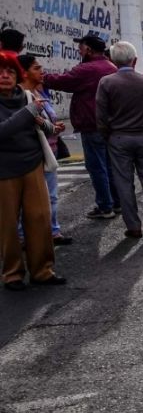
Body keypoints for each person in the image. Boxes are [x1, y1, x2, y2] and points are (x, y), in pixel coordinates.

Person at [0, 51, 66, 291]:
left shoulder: (26, 96)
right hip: (5, 171)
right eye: (0, 72)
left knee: (39, 218)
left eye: (9, 71)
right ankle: (13, 273)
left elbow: (42, 127)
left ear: (18, 74)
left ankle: (42, 270)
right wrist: (29, 113)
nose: (4, 76)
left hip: (33, 164)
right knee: (7, 224)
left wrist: (50, 126)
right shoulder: (27, 105)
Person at [96, 42, 143, 239]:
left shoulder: (106, 82)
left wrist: (108, 135)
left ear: (113, 60)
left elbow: (101, 116)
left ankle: (134, 227)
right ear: (135, 60)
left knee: (124, 183)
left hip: (119, 137)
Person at [44, 34, 118, 219]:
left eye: (82, 47)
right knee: (108, 165)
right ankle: (116, 203)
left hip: (91, 124)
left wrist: (40, 76)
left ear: (89, 50)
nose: (79, 50)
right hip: (109, 125)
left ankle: (105, 206)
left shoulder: (87, 69)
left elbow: (62, 81)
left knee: (96, 166)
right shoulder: (111, 66)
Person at [19, 55, 72, 246]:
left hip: (50, 150)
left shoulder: (39, 92)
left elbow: (46, 120)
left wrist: (54, 127)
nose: (42, 71)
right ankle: (23, 236)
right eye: (36, 68)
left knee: (51, 195)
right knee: (27, 198)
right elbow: (33, 123)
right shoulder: (22, 96)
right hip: (34, 153)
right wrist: (51, 127)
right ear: (24, 72)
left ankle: (53, 230)